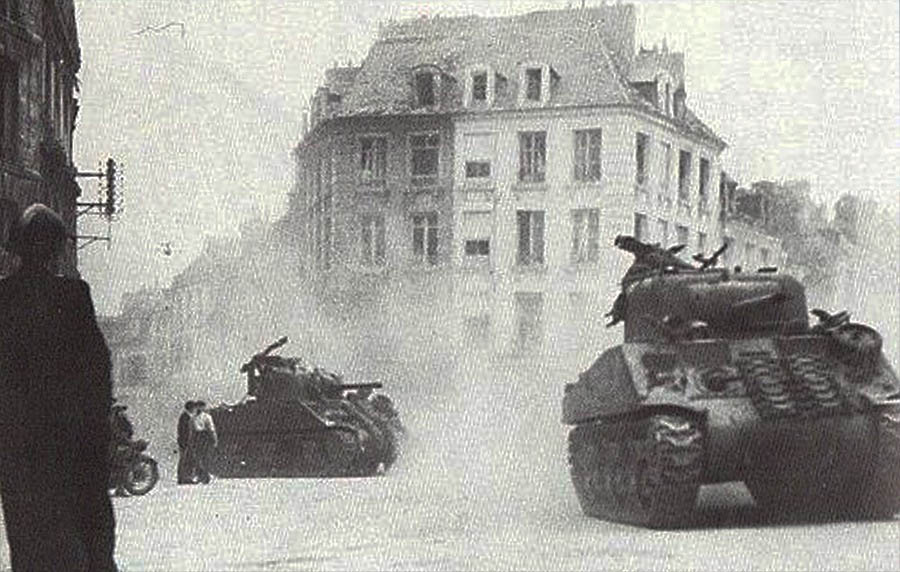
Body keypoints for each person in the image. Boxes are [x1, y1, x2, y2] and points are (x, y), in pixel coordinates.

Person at [0, 204, 117, 571]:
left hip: (18, 448)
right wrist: (99, 430)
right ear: (57, 249)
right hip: (71, 443)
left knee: (28, 541)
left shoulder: (3, 298)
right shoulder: (73, 295)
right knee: (90, 535)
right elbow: (98, 370)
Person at [109, 402, 135, 496]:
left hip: (118, 443)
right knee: (121, 465)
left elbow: (128, 429)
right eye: (121, 410)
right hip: (114, 445)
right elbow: (116, 433)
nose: (123, 412)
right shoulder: (113, 419)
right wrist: (125, 440)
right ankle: (120, 489)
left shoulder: (118, 418)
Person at [190, 400, 218, 484]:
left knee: (206, 457)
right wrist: (192, 440)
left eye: (201, 406)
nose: (199, 408)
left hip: (205, 436)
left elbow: (211, 429)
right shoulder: (193, 418)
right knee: (198, 457)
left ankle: (206, 476)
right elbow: (192, 430)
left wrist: (214, 439)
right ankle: (200, 476)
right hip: (197, 436)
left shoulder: (207, 417)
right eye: (197, 406)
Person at [177, 401, 197, 484]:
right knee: (186, 460)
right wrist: (189, 441)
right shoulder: (186, 417)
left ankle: (184, 477)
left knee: (185, 459)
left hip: (184, 441)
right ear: (191, 408)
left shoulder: (185, 416)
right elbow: (185, 431)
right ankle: (184, 477)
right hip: (185, 441)